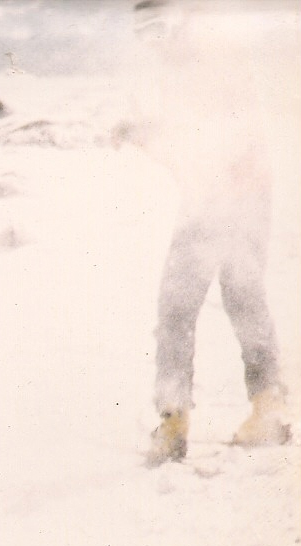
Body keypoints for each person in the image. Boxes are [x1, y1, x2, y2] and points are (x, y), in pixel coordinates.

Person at [127, 0, 290, 465]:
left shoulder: (205, 60)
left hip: (223, 198)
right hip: (234, 196)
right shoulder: (188, 65)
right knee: (243, 295)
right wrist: (145, 134)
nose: (154, 42)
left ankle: (175, 419)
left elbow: (220, 136)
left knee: (178, 306)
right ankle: (268, 407)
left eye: (159, 28)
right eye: (145, 33)